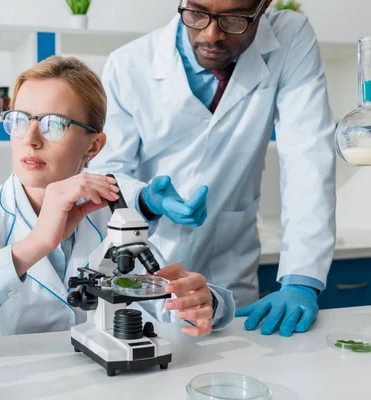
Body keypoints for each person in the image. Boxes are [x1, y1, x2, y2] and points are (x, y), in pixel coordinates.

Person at [0, 56, 235, 362]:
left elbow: (164, 299)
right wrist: (33, 246)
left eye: (53, 124)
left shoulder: (107, 213)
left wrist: (210, 303)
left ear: (93, 147)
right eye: (20, 119)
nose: (31, 139)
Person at [88, 0, 336, 337]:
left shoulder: (288, 36)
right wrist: (146, 199)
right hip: (147, 266)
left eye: (234, 19)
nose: (211, 34)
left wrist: (301, 280)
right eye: (197, 13)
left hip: (230, 270)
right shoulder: (129, 64)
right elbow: (106, 175)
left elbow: (308, 154)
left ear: (263, 8)